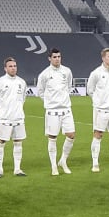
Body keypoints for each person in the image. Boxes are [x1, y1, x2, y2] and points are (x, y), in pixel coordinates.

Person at [37, 48, 76, 176]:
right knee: (52, 138)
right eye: (54, 57)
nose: (57, 59)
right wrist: (50, 102)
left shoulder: (67, 71)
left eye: (59, 56)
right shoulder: (44, 74)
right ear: (49, 58)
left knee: (71, 135)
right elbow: (40, 91)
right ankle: (54, 166)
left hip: (66, 109)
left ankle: (63, 161)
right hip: (52, 111)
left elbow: (69, 87)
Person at [0, 57, 29, 177]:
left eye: (15, 66)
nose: (13, 68)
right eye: (10, 66)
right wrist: (0, 113)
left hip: (18, 118)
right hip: (4, 118)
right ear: (5, 68)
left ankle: (17, 169)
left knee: (18, 143)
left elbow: (23, 99)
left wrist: (17, 110)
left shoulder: (22, 82)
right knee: (1, 142)